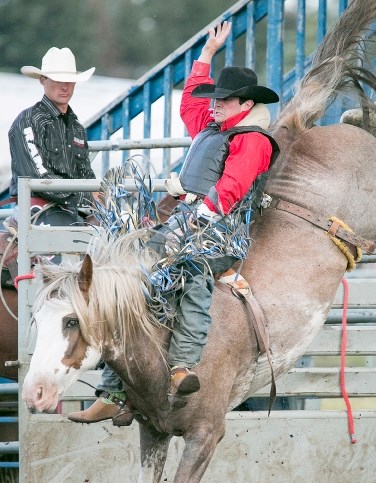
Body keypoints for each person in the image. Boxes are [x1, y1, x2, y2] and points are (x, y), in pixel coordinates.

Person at [68, 21, 279, 425]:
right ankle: (118, 388)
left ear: (246, 105)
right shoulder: (215, 128)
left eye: (225, 99)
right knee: (133, 280)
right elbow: (190, 106)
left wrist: (195, 211)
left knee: (193, 274)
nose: (214, 105)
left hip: (219, 233)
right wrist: (206, 56)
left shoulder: (251, 139)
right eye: (216, 99)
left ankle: (180, 366)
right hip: (191, 222)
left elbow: (231, 187)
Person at [8, 47, 96, 226]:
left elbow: (86, 173)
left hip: (72, 207)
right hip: (38, 207)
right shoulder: (28, 121)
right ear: (43, 80)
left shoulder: (76, 127)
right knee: (69, 243)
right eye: (57, 80)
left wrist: (100, 195)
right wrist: (86, 196)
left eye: (70, 81)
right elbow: (38, 177)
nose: (65, 87)